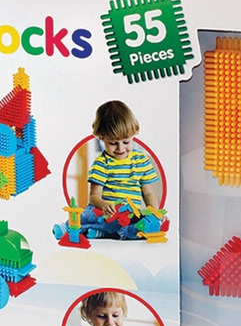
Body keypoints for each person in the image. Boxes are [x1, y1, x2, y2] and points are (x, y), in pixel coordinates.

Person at [54, 100, 161, 240]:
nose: (121, 148)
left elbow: (148, 193)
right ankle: (68, 226)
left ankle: (105, 233)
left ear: (134, 134)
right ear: (101, 137)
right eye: (113, 143)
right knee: (89, 215)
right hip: (106, 212)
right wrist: (104, 205)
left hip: (129, 216)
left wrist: (155, 214)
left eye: (126, 142)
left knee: (137, 226)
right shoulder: (102, 163)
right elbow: (94, 197)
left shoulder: (141, 160)